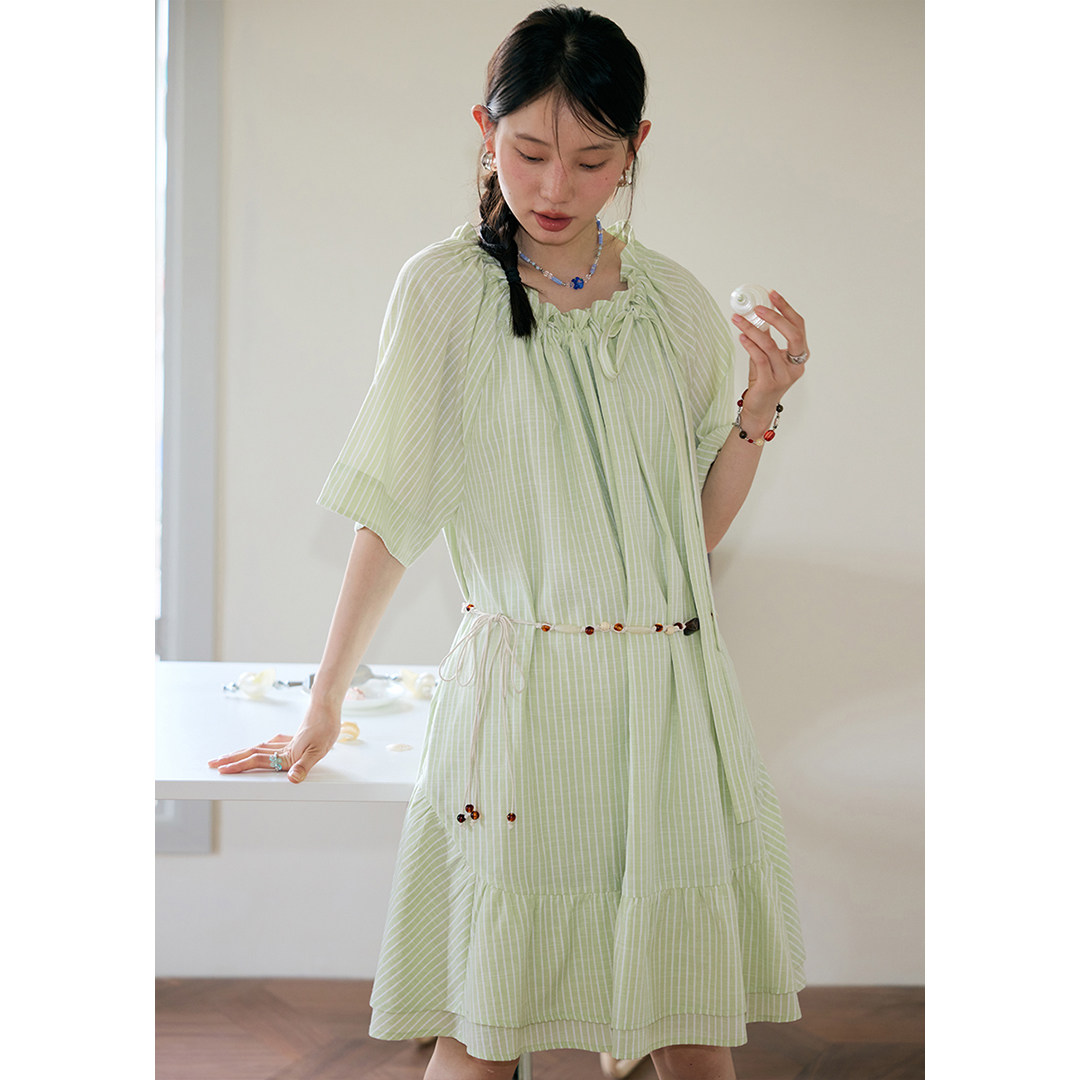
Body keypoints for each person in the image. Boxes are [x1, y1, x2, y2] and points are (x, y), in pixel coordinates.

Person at [209, 6, 809, 1079]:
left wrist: (760, 406)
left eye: (593, 159)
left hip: (667, 699)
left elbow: (690, 532)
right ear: (484, 132)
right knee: (483, 1023)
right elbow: (393, 507)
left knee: (689, 1021)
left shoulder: (674, 306)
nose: (555, 186)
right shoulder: (444, 293)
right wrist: (326, 698)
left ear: (637, 147)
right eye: (529, 151)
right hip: (521, 699)